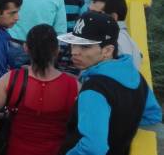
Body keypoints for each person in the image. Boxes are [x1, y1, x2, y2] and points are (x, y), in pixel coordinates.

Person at [58, 11, 162, 155]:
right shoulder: (136, 77)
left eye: (85, 47)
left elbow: (93, 147)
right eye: (73, 44)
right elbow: (152, 116)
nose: (74, 52)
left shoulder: (94, 89)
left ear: (107, 50)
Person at [0, 24, 78, 155]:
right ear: (57, 50)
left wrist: (5, 116)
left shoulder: (10, 80)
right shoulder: (74, 85)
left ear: (26, 48)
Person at [89, 0, 142, 70]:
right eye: (88, 11)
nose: (88, 17)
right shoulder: (120, 37)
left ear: (113, 17)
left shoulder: (115, 42)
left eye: (94, 13)